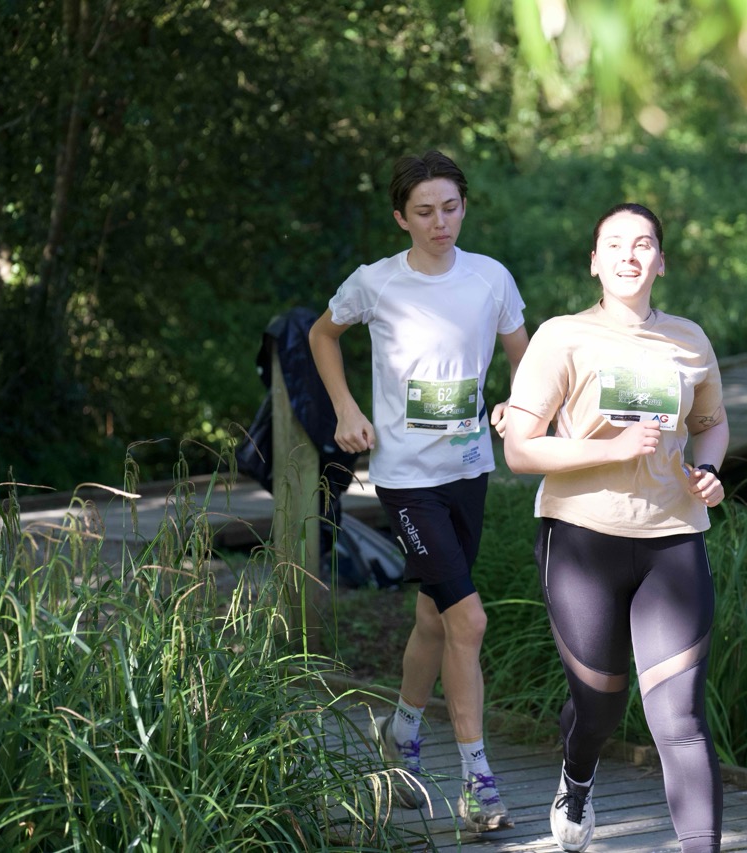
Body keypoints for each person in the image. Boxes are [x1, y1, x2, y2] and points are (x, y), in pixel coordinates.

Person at [308, 150, 529, 832]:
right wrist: (346, 408)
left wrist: (517, 404)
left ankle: (401, 731)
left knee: (436, 616)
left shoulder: (490, 277)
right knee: (470, 619)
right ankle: (477, 782)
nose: (440, 223)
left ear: (465, 206)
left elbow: (525, 357)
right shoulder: (376, 282)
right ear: (401, 217)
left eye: (451, 208)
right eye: (425, 212)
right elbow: (322, 334)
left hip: (469, 469)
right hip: (406, 479)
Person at [503, 203, 728, 853]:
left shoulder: (689, 339)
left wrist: (710, 469)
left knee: (680, 717)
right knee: (600, 704)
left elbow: (712, 422)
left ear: (662, 262)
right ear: (594, 262)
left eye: (644, 244)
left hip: (672, 539)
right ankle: (576, 777)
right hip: (582, 538)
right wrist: (611, 448)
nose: (630, 255)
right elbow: (520, 448)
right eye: (615, 244)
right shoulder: (562, 337)